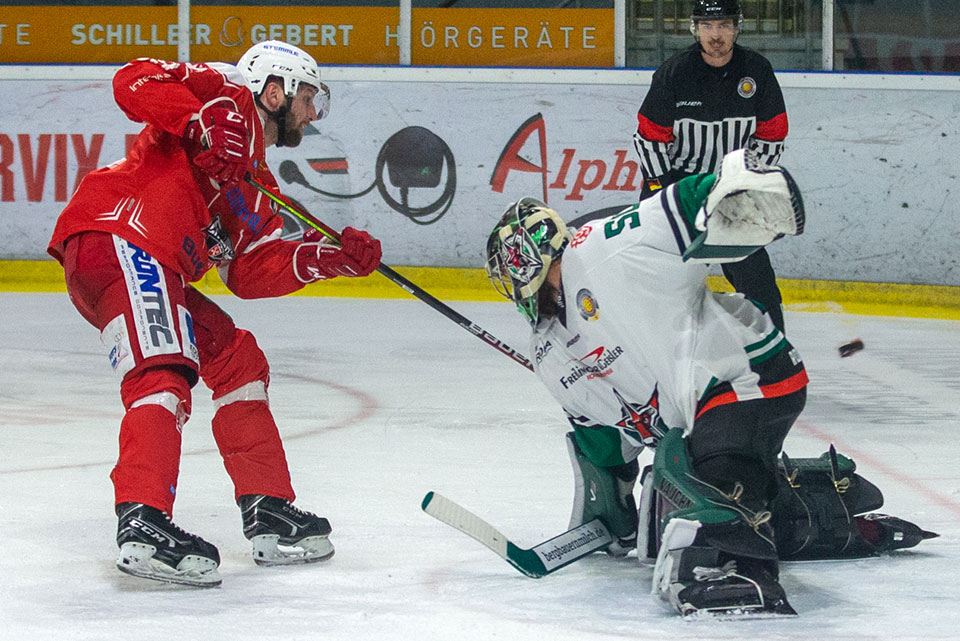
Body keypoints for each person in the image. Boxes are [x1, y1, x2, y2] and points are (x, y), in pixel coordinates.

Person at [485, 149, 936, 616]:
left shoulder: (598, 246)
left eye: (504, 270)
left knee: (705, 481)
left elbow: (673, 208)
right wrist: (614, 509)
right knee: (678, 492)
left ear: (520, 260)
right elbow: (602, 439)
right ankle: (826, 516)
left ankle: (738, 571)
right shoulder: (549, 354)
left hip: (747, 374)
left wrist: (729, 189)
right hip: (704, 414)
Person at [47, 40, 383, 588]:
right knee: (163, 370)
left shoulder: (258, 181)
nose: (310, 112)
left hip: (154, 262)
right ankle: (142, 521)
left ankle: (269, 508)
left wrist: (331, 261)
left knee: (236, 360)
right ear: (274, 90)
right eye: (306, 98)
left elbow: (248, 271)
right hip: (122, 236)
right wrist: (198, 119)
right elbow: (131, 80)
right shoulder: (224, 90)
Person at [633, 0, 789, 332]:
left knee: (758, 282)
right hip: (681, 188)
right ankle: (655, 349)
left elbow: (772, 134)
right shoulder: (674, 73)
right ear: (695, 29)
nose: (715, 35)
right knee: (664, 278)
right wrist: (662, 193)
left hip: (732, 189)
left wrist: (751, 182)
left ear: (736, 27)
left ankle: (776, 351)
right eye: (707, 26)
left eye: (723, 26)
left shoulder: (757, 71)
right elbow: (650, 137)